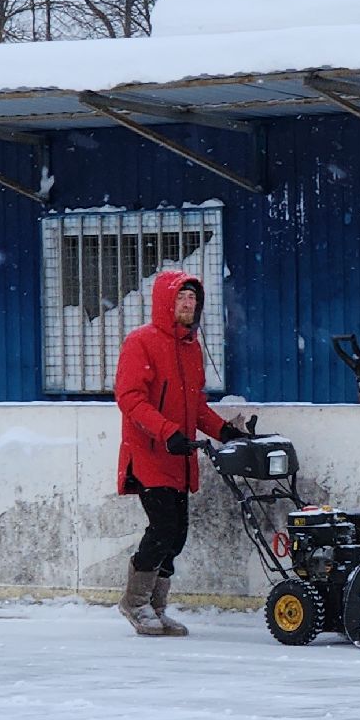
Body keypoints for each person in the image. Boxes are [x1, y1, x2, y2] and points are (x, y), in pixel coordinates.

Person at [113, 267, 248, 637]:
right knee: (163, 528)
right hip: (149, 453)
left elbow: (195, 406)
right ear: (165, 303)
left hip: (180, 456)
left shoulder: (190, 349)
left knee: (177, 536)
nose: (188, 304)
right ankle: (135, 602)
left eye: (192, 298)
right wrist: (166, 431)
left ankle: (156, 608)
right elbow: (130, 398)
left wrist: (223, 431)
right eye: (180, 298)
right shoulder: (141, 342)